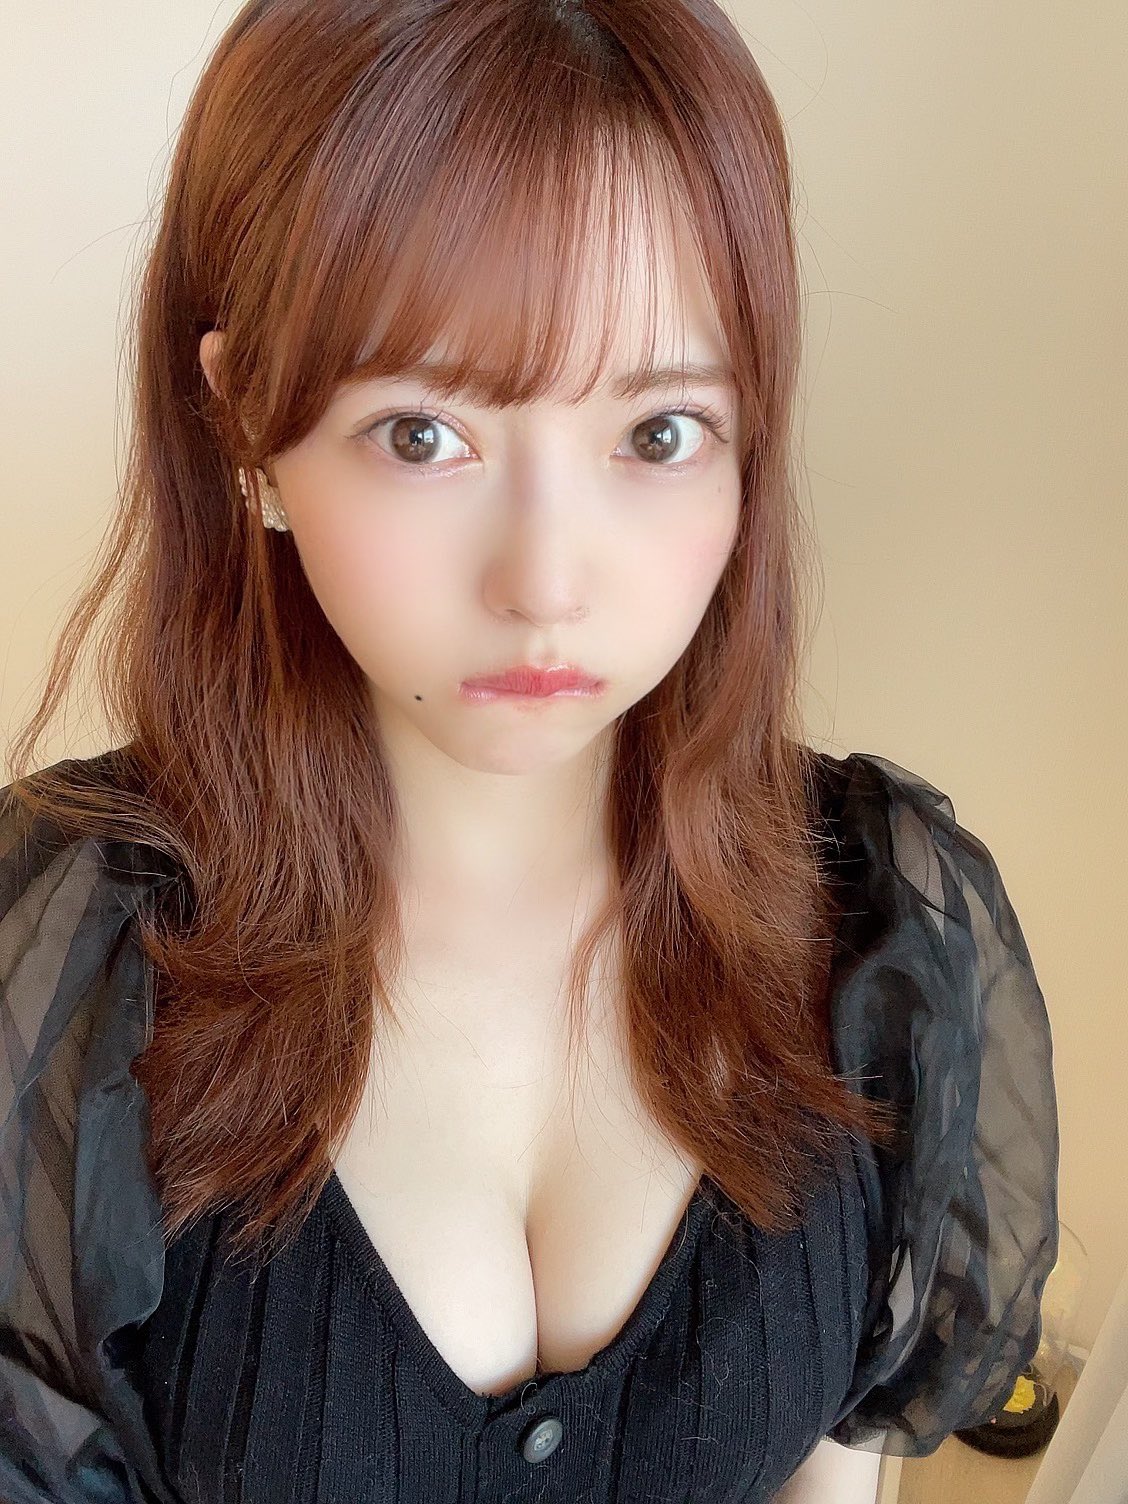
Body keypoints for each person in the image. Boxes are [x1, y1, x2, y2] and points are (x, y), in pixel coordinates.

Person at [0, 1, 1059, 1500]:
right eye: (422, 433)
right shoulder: (68, 961)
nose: (548, 582)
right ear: (244, 424)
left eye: (659, 433)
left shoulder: (881, 924)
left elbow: (834, 1468)